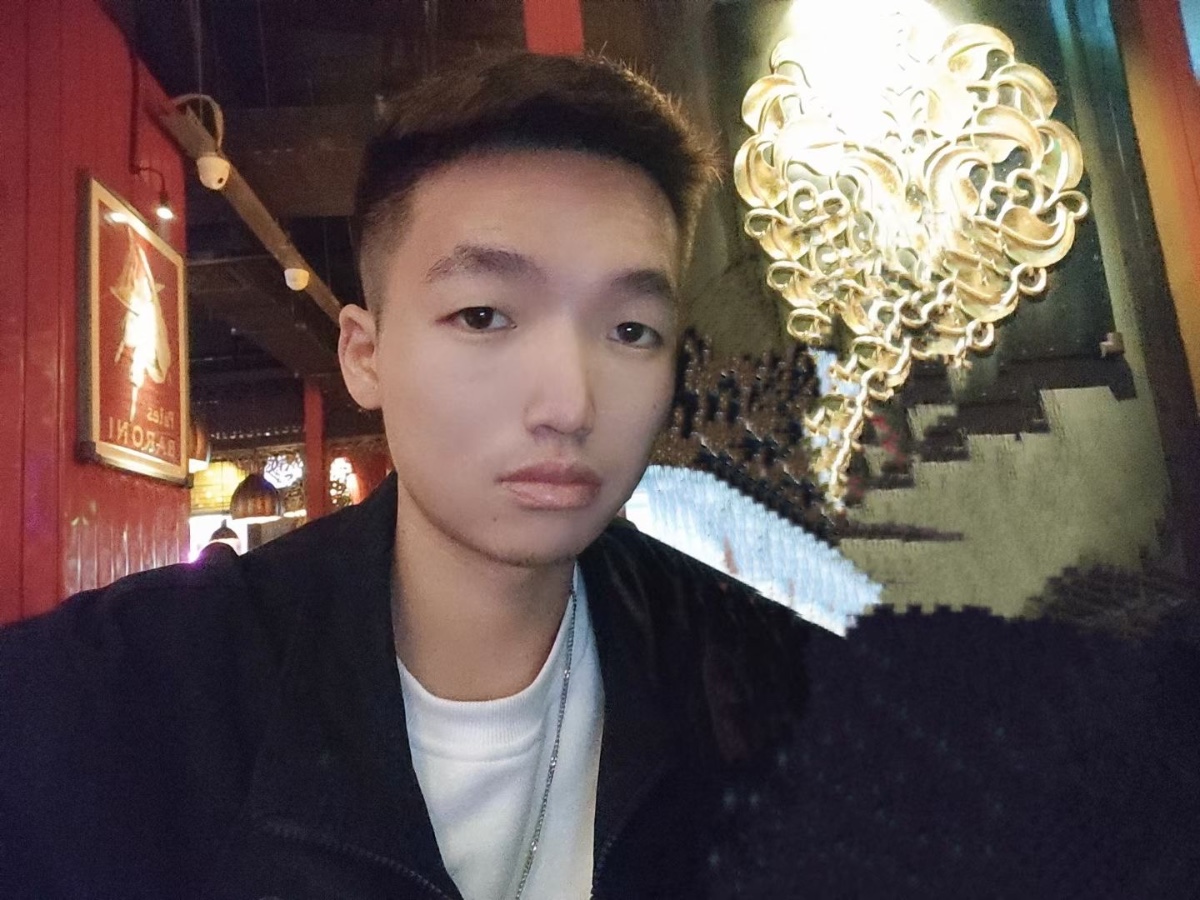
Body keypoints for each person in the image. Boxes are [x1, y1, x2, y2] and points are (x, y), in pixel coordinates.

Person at [0, 52, 838, 899]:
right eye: (483, 315)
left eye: (630, 331)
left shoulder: (781, 691)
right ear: (365, 356)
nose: (569, 404)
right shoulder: (106, 706)